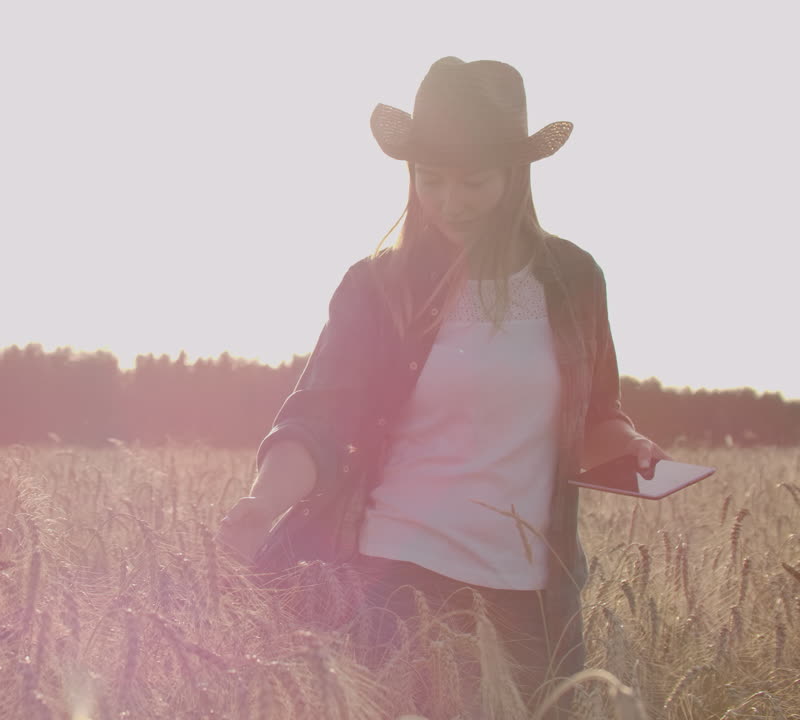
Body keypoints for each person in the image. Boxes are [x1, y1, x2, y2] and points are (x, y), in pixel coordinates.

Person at [216, 57, 671, 718]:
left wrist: (630, 447)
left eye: (473, 182)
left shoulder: (574, 280)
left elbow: (596, 411)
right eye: (431, 180)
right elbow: (320, 419)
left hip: (528, 594)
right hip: (397, 580)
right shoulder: (378, 287)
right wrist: (264, 501)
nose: (450, 201)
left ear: (515, 176)